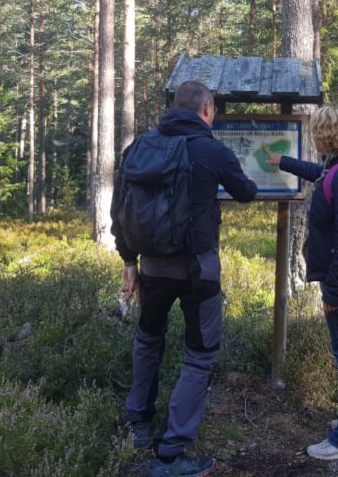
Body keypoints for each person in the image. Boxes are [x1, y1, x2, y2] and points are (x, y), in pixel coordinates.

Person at [111, 80, 258, 477]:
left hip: (152, 268)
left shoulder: (140, 147)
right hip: (199, 271)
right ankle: (171, 453)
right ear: (207, 109)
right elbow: (245, 192)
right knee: (200, 354)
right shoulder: (211, 149)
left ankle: (139, 424)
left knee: (148, 339)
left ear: (174, 107)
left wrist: (129, 261)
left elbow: (118, 208)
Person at [264, 105, 338, 462]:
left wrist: (332, 289)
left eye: (316, 131)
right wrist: (283, 161)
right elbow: (320, 173)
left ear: (325, 134)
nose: (313, 138)